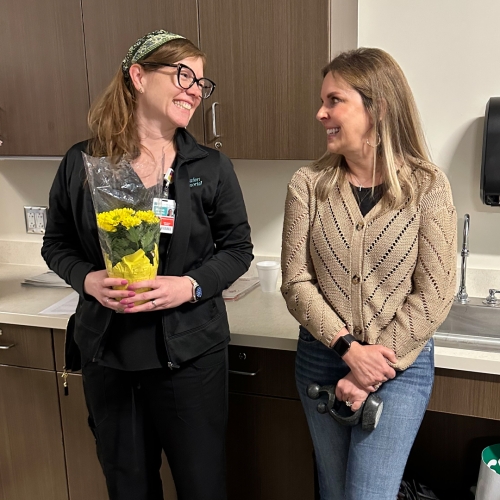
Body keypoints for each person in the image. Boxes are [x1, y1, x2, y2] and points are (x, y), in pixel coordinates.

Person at [42, 30, 253, 500]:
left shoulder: (209, 166)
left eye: (201, 82)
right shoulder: (83, 162)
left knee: (202, 487)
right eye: (183, 75)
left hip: (190, 356)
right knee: (128, 487)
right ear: (138, 76)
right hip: (109, 355)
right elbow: (55, 243)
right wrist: (87, 278)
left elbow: (238, 249)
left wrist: (191, 286)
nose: (195, 89)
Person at [281, 47, 456, 500]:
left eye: (334, 100)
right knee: (335, 492)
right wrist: (347, 349)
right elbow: (296, 283)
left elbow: (436, 292)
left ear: (376, 106)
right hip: (321, 358)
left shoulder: (428, 186)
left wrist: (366, 368)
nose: (321, 113)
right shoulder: (308, 185)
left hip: (398, 365)